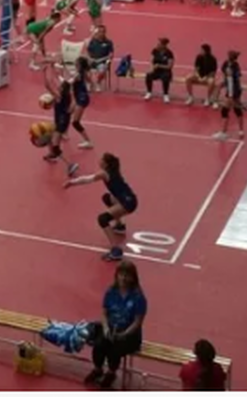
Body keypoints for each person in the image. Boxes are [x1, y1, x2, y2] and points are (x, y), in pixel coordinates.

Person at [85, 261, 147, 389]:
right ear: (117, 275)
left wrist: (124, 334)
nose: (123, 278)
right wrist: (106, 328)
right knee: (99, 345)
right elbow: (104, 313)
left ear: (133, 277)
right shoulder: (110, 292)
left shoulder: (138, 297)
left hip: (130, 334)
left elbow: (137, 322)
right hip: (111, 328)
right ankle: (98, 369)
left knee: (115, 350)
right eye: (121, 274)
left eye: (127, 275)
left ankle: (111, 373)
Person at [66, 152, 137, 261]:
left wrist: (72, 182)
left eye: (102, 160)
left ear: (106, 164)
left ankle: (116, 250)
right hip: (130, 199)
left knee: (102, 219)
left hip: (127, 203)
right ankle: (120, 226)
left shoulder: (104, 173)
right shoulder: (114, 172)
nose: (99, 161)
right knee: (107, 198)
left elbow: (87, 179)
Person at [213, 50, 245, 140]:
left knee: (224, 110)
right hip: (234, 89)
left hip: (233, 90)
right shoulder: (227, 64)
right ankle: (241, 130)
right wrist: (224, 82)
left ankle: (224, 133)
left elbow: (232, 81)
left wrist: (230, 95)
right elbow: (226, 77)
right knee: (237, 109)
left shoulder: (234, 67)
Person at [144, 38, 175, 103]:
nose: (157, 45)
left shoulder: (169, 53)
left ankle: (165, 95)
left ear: (164, 45)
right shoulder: (155, 51)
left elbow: (169, 66)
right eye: (158, 43)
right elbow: (152, 61)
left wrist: (159, 65)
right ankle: (149, 92)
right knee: (148, 75)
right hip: (156, 71)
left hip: (166, 71)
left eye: (159, 44)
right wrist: (152, 68)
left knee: (165, 77)